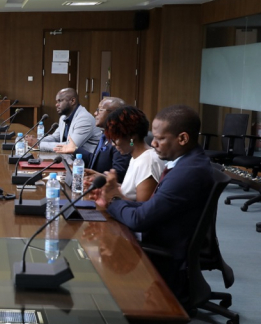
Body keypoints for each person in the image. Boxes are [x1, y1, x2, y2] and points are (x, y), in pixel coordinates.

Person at [92, 105, 214, 304]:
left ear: (182, 138)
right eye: (153, 137)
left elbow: (140, 219)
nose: (153, 143)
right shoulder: (186, 163)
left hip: (166, 251)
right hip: (163, 236)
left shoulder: (187, 173)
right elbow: (148, 207)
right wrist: (118, 200)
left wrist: (113, 201)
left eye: (160, 138)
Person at [102, 106, 166, 201]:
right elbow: (132, 191)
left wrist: (113, 194)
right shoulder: (136, 158)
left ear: (132, 136)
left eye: (115, 139)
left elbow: (141, 209)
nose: (113, 145)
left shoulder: (148, 162)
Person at [29, 88, 101, 153]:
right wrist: (37, 141)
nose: (56, 105)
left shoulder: (84, 119)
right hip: (70, 158)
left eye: (60, 101)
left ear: (72, 101)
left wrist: (39, 144)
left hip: (84, 163)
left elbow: (70, 146)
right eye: (57, 101)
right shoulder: (64, 117)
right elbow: (55, 137)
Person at [77, 97, 131, 183]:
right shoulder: (105, 135)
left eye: (99, 110)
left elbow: (119, 174)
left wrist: (97, 178)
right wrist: (75, 150)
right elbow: (97, 159)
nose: (95, 113)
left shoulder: (121, 140)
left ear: (114, 114)